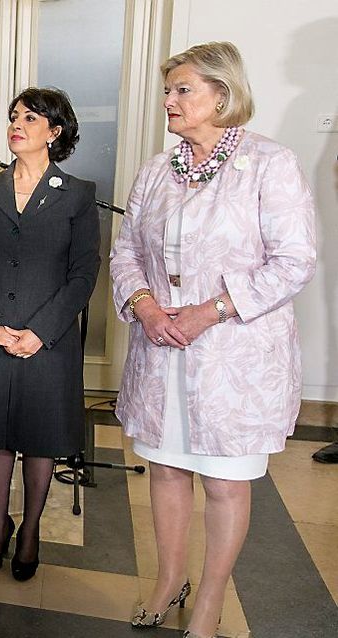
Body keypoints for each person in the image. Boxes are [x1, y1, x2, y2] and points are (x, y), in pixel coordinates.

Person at [109, 42, 316, 638]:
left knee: (225, 481)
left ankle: (211, 598)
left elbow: (294, 260)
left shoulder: (269, 163)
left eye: (183, 90)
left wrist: (212, 310)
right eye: (167, 90)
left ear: (222, 96)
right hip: (161, 347)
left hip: (234, 356)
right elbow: (126, 251)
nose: (169, 101)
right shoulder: (157, 168)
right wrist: (145, 306)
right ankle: (170, 578)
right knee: (167, 469)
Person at [0, 87, 100, 582]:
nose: (16, 124)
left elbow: (83, 273)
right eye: (13, 116)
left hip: (47, 341)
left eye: (30, 118)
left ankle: (30, 531)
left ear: (54, 133)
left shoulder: (77, 193)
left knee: (39, 439)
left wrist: (41, 332)